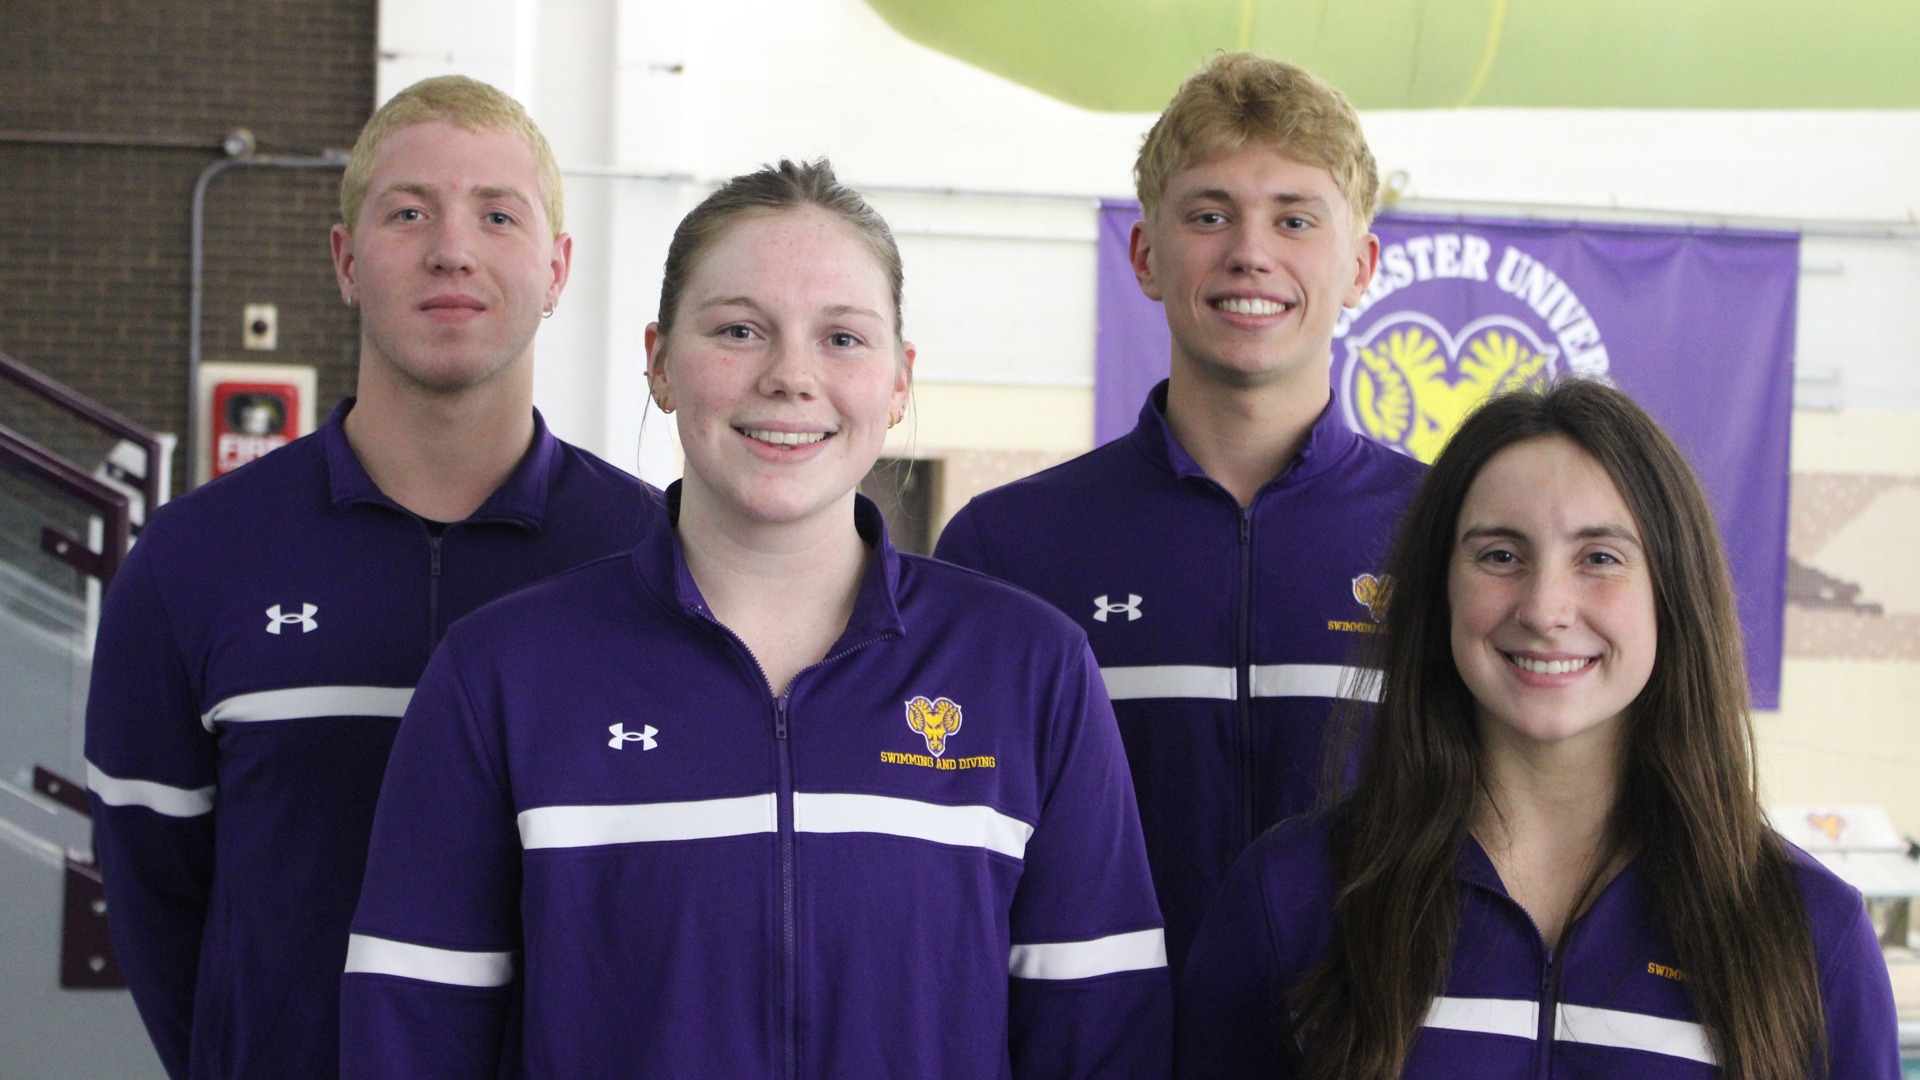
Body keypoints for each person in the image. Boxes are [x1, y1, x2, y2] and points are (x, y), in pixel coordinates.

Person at [339, 159, 1170, 1079]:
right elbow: (411, 1035)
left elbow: (1102, 1037)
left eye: (843, 339)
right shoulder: (502, 673)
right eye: (739, 329)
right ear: (659, 362)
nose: (790, 377)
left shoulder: (1029, 669)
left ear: (899, 383)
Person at [83, 76, 657, 1080]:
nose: (453, 248)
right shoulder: (191, 563)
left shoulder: (655, 558)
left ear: (558, 267)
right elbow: (154, 906)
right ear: (346, 260)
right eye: (408, 211)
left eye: (497, 214)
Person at [1178, 380, 1900, 1080]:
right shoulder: (1295, 897)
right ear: (1440, 590)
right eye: (1500, 555)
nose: (1546, 607)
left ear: (1672, 595)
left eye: (1600, 558)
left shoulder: (1808, 933)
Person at [934, 53, 1424, 973]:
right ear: (1147, 258)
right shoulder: (1008, 546)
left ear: (1359, 266)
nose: (1250, 251)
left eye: (1294, 218)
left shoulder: (1454, 532)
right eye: (1209, 214)